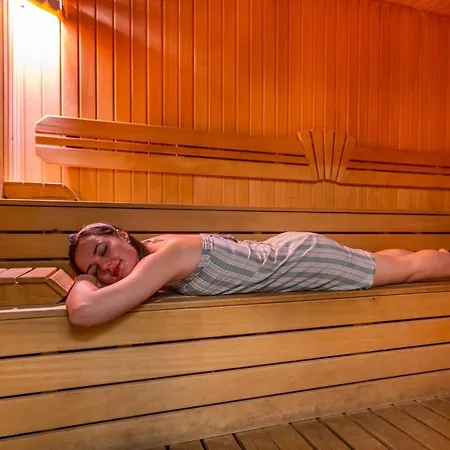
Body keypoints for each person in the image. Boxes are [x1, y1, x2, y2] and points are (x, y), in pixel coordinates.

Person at [66, 222, 450, 328]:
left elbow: (84, 312)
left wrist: (82, 281)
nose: (105, 267)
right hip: (285, 251)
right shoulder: (153, 250)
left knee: (408, 271)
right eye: (95, 269)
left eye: (102, 252)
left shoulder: (160, 259)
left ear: (121, 235)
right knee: (385, 263)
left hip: (300, 261)